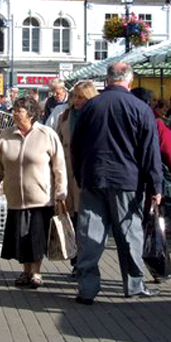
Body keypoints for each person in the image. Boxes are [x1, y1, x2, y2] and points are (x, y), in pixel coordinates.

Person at [71, 63, 163, 304]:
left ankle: (87, 288)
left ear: (107, 79)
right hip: (127, 180)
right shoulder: (140, 108)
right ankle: (133, 285)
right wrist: (156, 186)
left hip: (93, 177)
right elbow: (150, 152)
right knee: (130, 233)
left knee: (90, 234)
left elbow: (76, 146)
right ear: (129, 81)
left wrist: (80, 176)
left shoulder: (90, 106)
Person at [0, 96, 67, 289]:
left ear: (31, 114)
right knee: (20, 238)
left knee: (36, 239)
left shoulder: (46, 134)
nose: (14, 113)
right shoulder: (5, 136)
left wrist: (61, 192)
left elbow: (59, 166)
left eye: (19, 110)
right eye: (14, 109)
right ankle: (25, 271)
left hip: (41, 199)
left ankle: (36, 273)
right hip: (15, 198)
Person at [131, 87, 171, 282]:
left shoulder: (126, 120)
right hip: (149, 182)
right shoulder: (156, 124)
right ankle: (156, 269)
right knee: (151, 227)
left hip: (127, 181)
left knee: (134, 227)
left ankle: (134, 271)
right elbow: (168, 153)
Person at [56, 80, 99, 271]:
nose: (76, 100)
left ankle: (84, 261)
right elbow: (57, 141)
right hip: (67, 171)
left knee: (85, 219)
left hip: (85, 173)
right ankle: (75, 260)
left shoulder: (95, 115)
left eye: (81, 97)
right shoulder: (66, 115)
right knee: (71, 217)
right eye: (74, 96)